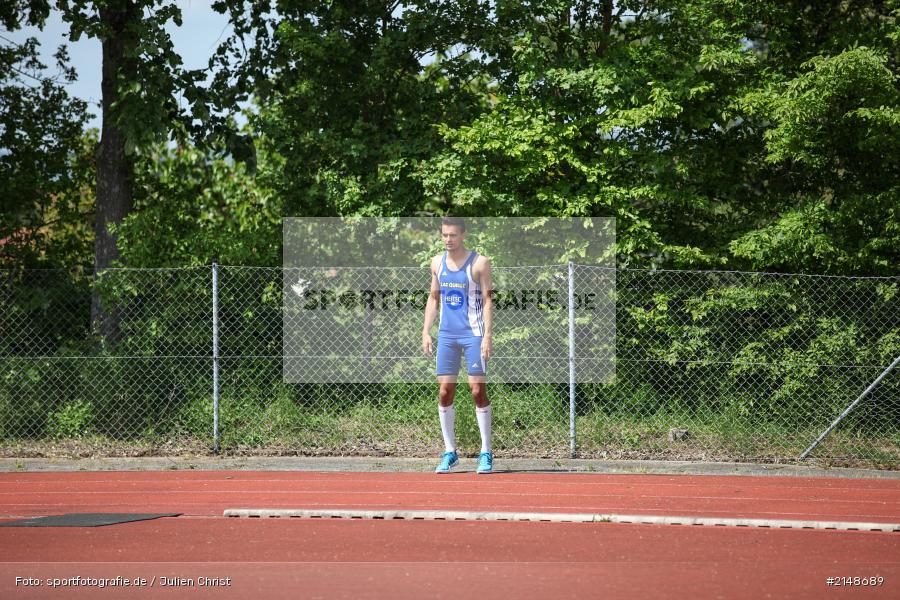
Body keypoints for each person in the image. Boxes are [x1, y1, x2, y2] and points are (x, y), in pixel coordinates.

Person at [422, 217, 494, 474]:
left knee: (477, 391)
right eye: (444, 235)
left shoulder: (480, 263)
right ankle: (450, 451)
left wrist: (487, 336)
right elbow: (433, 298)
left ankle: (486, 451)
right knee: (444, 392)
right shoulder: (437, 263)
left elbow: (487, 301)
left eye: (453, 235)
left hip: (473, 334)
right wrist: (426, 331)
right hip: (447, 336)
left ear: (463, 235)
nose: (448, 240)